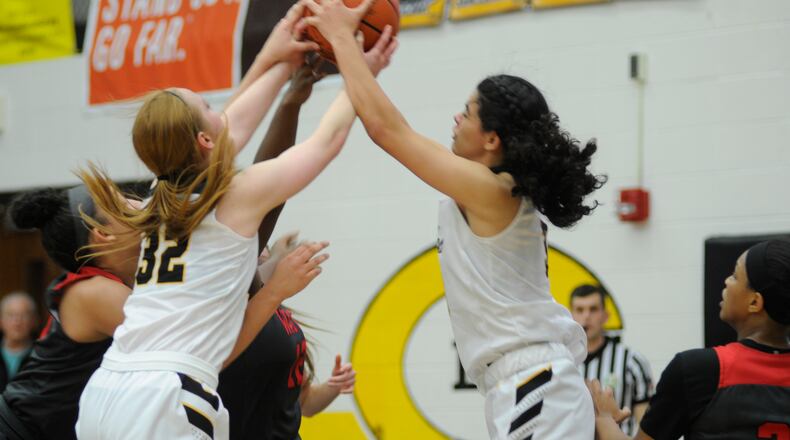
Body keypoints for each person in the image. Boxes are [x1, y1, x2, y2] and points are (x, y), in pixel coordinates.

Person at [74, 4, 396, 438]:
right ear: (204, 140)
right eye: (208, 105)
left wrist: (276, 58)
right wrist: (359, 68)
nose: (222, 111)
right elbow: (327, 141)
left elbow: (232, 122)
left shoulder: (161, 192)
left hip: (106, 389)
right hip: (165, 396)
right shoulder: (236, 197)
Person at [302, 2, 606, 438]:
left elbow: (388, 130)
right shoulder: (492, 191)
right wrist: (358, 67)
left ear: (491, 139)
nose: (456, 118)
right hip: (522, 384)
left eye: (467, 111)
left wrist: (341, 39)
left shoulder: (494, 191)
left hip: (534, 383)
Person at [1, 185, 322, 440]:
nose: (140, 204)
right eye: (125, 203)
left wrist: (267, 266)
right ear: (103, 234)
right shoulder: (94, 292)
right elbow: (206, 353)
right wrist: (273, 290)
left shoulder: (135, 282)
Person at [217, 58, 358, 440]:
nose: (261, 246)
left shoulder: (279, 313)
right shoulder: (232, 292)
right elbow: (270, 185)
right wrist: (290, 102)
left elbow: (305, 403)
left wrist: (333, 387)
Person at [589, 239, 790, 440]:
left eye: (735, 276)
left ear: (754, 302)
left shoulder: (698, 369)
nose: (727, 281)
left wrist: (604, 418)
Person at [570, 284, 653, 435]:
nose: (586, 316)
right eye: (580, 310)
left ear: (605, 315)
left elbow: (646, 427)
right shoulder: (561, 361)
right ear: (570, 316)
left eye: (593, 309)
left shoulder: (631, 361)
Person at [0, 292, 37, 391]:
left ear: (34, 320)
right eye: (11, 315)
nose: (17, 321)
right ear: (1, 321)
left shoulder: (43, 356)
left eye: (24, 315)